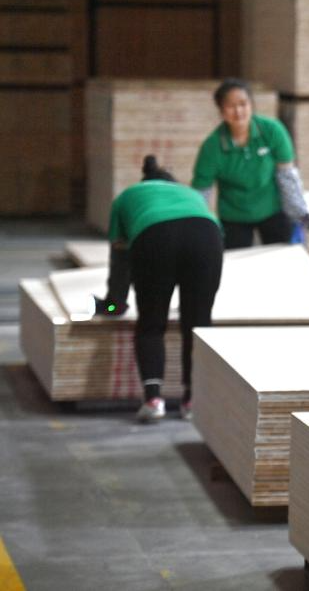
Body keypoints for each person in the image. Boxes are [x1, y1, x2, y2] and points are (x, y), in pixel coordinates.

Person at [95, 156, 224, 423]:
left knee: (152, 323)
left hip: (154, 237)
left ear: (145, 181)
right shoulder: (191, 195)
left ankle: (153, 400)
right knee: (198, 323)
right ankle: (192, 401)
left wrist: (113, 304)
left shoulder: (127, 197)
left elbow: (120, 261)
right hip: (207, 236)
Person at [192, 78, 309, 250]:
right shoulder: (212, 147)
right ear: (221, 110)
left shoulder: (273, 131)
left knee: (282, 257)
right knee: (235, 261)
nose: (238, 111)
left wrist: (300, 214)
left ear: (251, 105)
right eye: (231, 106)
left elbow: (287, 177)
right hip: (234, 217)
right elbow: (201, 193)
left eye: (243, 104)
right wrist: (197, 227)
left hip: (273, 210)